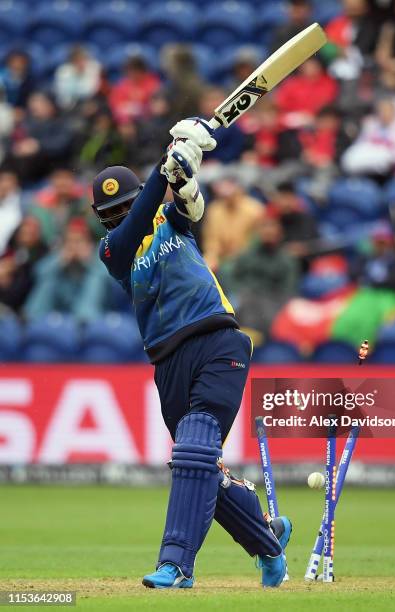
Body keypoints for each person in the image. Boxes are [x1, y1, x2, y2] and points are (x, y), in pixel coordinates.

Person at [92, 117, 291, 589]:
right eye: (112, 213)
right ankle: (267, 541)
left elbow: (191, 209)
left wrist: (184, 175)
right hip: (168, 362)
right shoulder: (112, 252)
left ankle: (176, 564)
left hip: (219, 341)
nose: (122, 217)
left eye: (126, 207)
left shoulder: (169, 221)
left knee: (197, 444)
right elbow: (135, 224)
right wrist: (165, 172)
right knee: (199, 465)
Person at [24, 218, 108, 322]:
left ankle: (84, 321)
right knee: (49, 279)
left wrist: (89, 263)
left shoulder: (97, 256)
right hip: (62, 304)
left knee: (95, 279)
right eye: (70, 241)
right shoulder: (60, 256)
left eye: (78, 241)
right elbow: (37, 272)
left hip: (91, 309)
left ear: (89, 243)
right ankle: (32, 319)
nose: (73, 246)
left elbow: (111, 279)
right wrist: (60, 262)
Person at [202, 176, 264, 270]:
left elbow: (257, 240)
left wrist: (240, 254)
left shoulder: (255, 209)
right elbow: (211, 240)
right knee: (204, 268)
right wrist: (212, 257)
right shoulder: (214, 210)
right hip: (221, 257)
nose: (228, 197)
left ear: (240, 190)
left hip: (248, 257)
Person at [108, 55, 160, 125]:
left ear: (142, 71)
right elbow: (115, 104)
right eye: (129, 71)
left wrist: (140, 109)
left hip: (146, 121)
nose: (131, 74)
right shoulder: (123, 84)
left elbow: (155, 106)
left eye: (134, 71)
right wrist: (125, 118)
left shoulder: (153, 84)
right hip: (124, 121)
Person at [54, 46, 102, 110]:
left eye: (83, 59)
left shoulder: (94, 68)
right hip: (68, 104)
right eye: (77, 60)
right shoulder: (63, 71)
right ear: (71, 61)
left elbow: (91, 91)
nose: (81, 63)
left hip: (88, 101)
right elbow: (62, 91)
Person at [0, 171, 22, 255]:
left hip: (10, 254)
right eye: (2, 180)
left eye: (9, 180)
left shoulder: (22, 203)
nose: (5, 184)